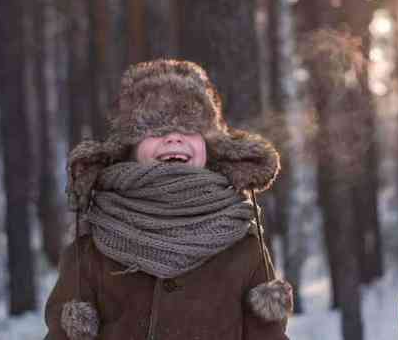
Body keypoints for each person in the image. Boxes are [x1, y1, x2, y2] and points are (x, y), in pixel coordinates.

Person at [44, 59, 293, 340]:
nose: (174, 138)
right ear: (130, 148)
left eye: (189, 129)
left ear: (209, 145)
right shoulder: (95, 244)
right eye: (157, 131)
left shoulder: (243, 244)